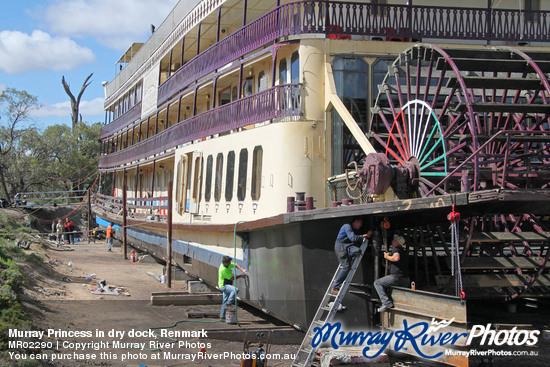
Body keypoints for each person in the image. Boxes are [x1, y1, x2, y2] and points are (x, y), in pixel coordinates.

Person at [332, 217, 373, 294]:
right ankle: (336, 285)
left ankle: (350, 258)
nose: (360, 226)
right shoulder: (347, 226)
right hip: (341, 247)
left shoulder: (353, 230)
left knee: (357, 251)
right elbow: (353, 238)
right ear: (356, 221)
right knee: (346, 267)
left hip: (347, 247)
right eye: (360, 224)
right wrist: (364, 236)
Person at [374, 234, 409, 312]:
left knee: (377, 283)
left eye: (393, 240)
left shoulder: (396, 249)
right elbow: (398, 265)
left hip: (397, 277)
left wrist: (387, 257)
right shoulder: (403, 251)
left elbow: (396, 258)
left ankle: (386, 303)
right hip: (405, 279)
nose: (392, 242)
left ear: (396, 241)